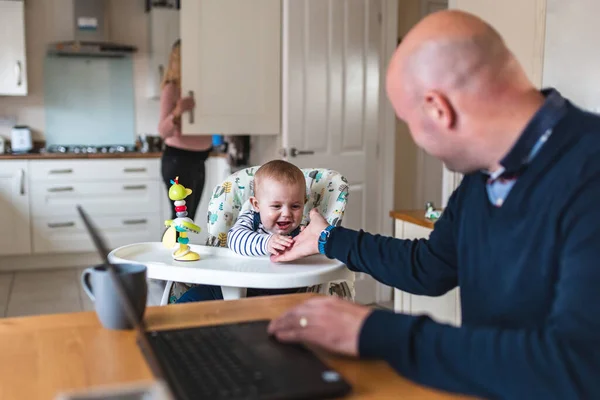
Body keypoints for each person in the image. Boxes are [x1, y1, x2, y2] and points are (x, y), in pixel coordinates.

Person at [267, 10, 600, 399]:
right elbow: (430, 267)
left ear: (438, 108)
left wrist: (371, 331)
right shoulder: (485, 178)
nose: (417, 141)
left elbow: (576, 366)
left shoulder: (588, 173)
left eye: (408, 123)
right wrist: (327, 239)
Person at [176, 160, 307, 302]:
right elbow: (235, 238)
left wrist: (309, 242)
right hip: (235, 285)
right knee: (190, 298)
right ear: (256, 205)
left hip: (282, 294)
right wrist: (267, 242)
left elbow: (318, 258)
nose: (286, 213)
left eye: (295, 206)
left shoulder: (303, 231)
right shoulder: (250, 220)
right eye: (276, 206)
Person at [158, 39, 213, 222]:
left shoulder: (203, 88)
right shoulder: (172, 89)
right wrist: (178, 111)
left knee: (187, 220)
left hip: (199, 162)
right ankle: (172, 251)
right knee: (180, 219)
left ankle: (178, 251)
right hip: (178, 161)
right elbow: (163, 131)